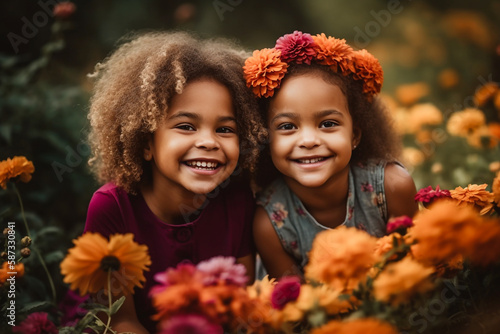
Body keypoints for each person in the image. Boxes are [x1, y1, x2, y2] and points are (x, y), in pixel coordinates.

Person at [84, 31, 265, 333]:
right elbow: (119, 319)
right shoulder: (111, 208)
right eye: (185, 126)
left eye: (225, 129)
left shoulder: (237, 200)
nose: (208, 141)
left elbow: (238, 309)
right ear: (146, 142)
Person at [244, 31, 418, 280]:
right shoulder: (269, 223)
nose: (308, 141)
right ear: (266, 139)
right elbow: (297, 307)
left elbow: (415, 270)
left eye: (327, 124)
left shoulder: (392, 187)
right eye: (287, 126)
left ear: (355, 135)